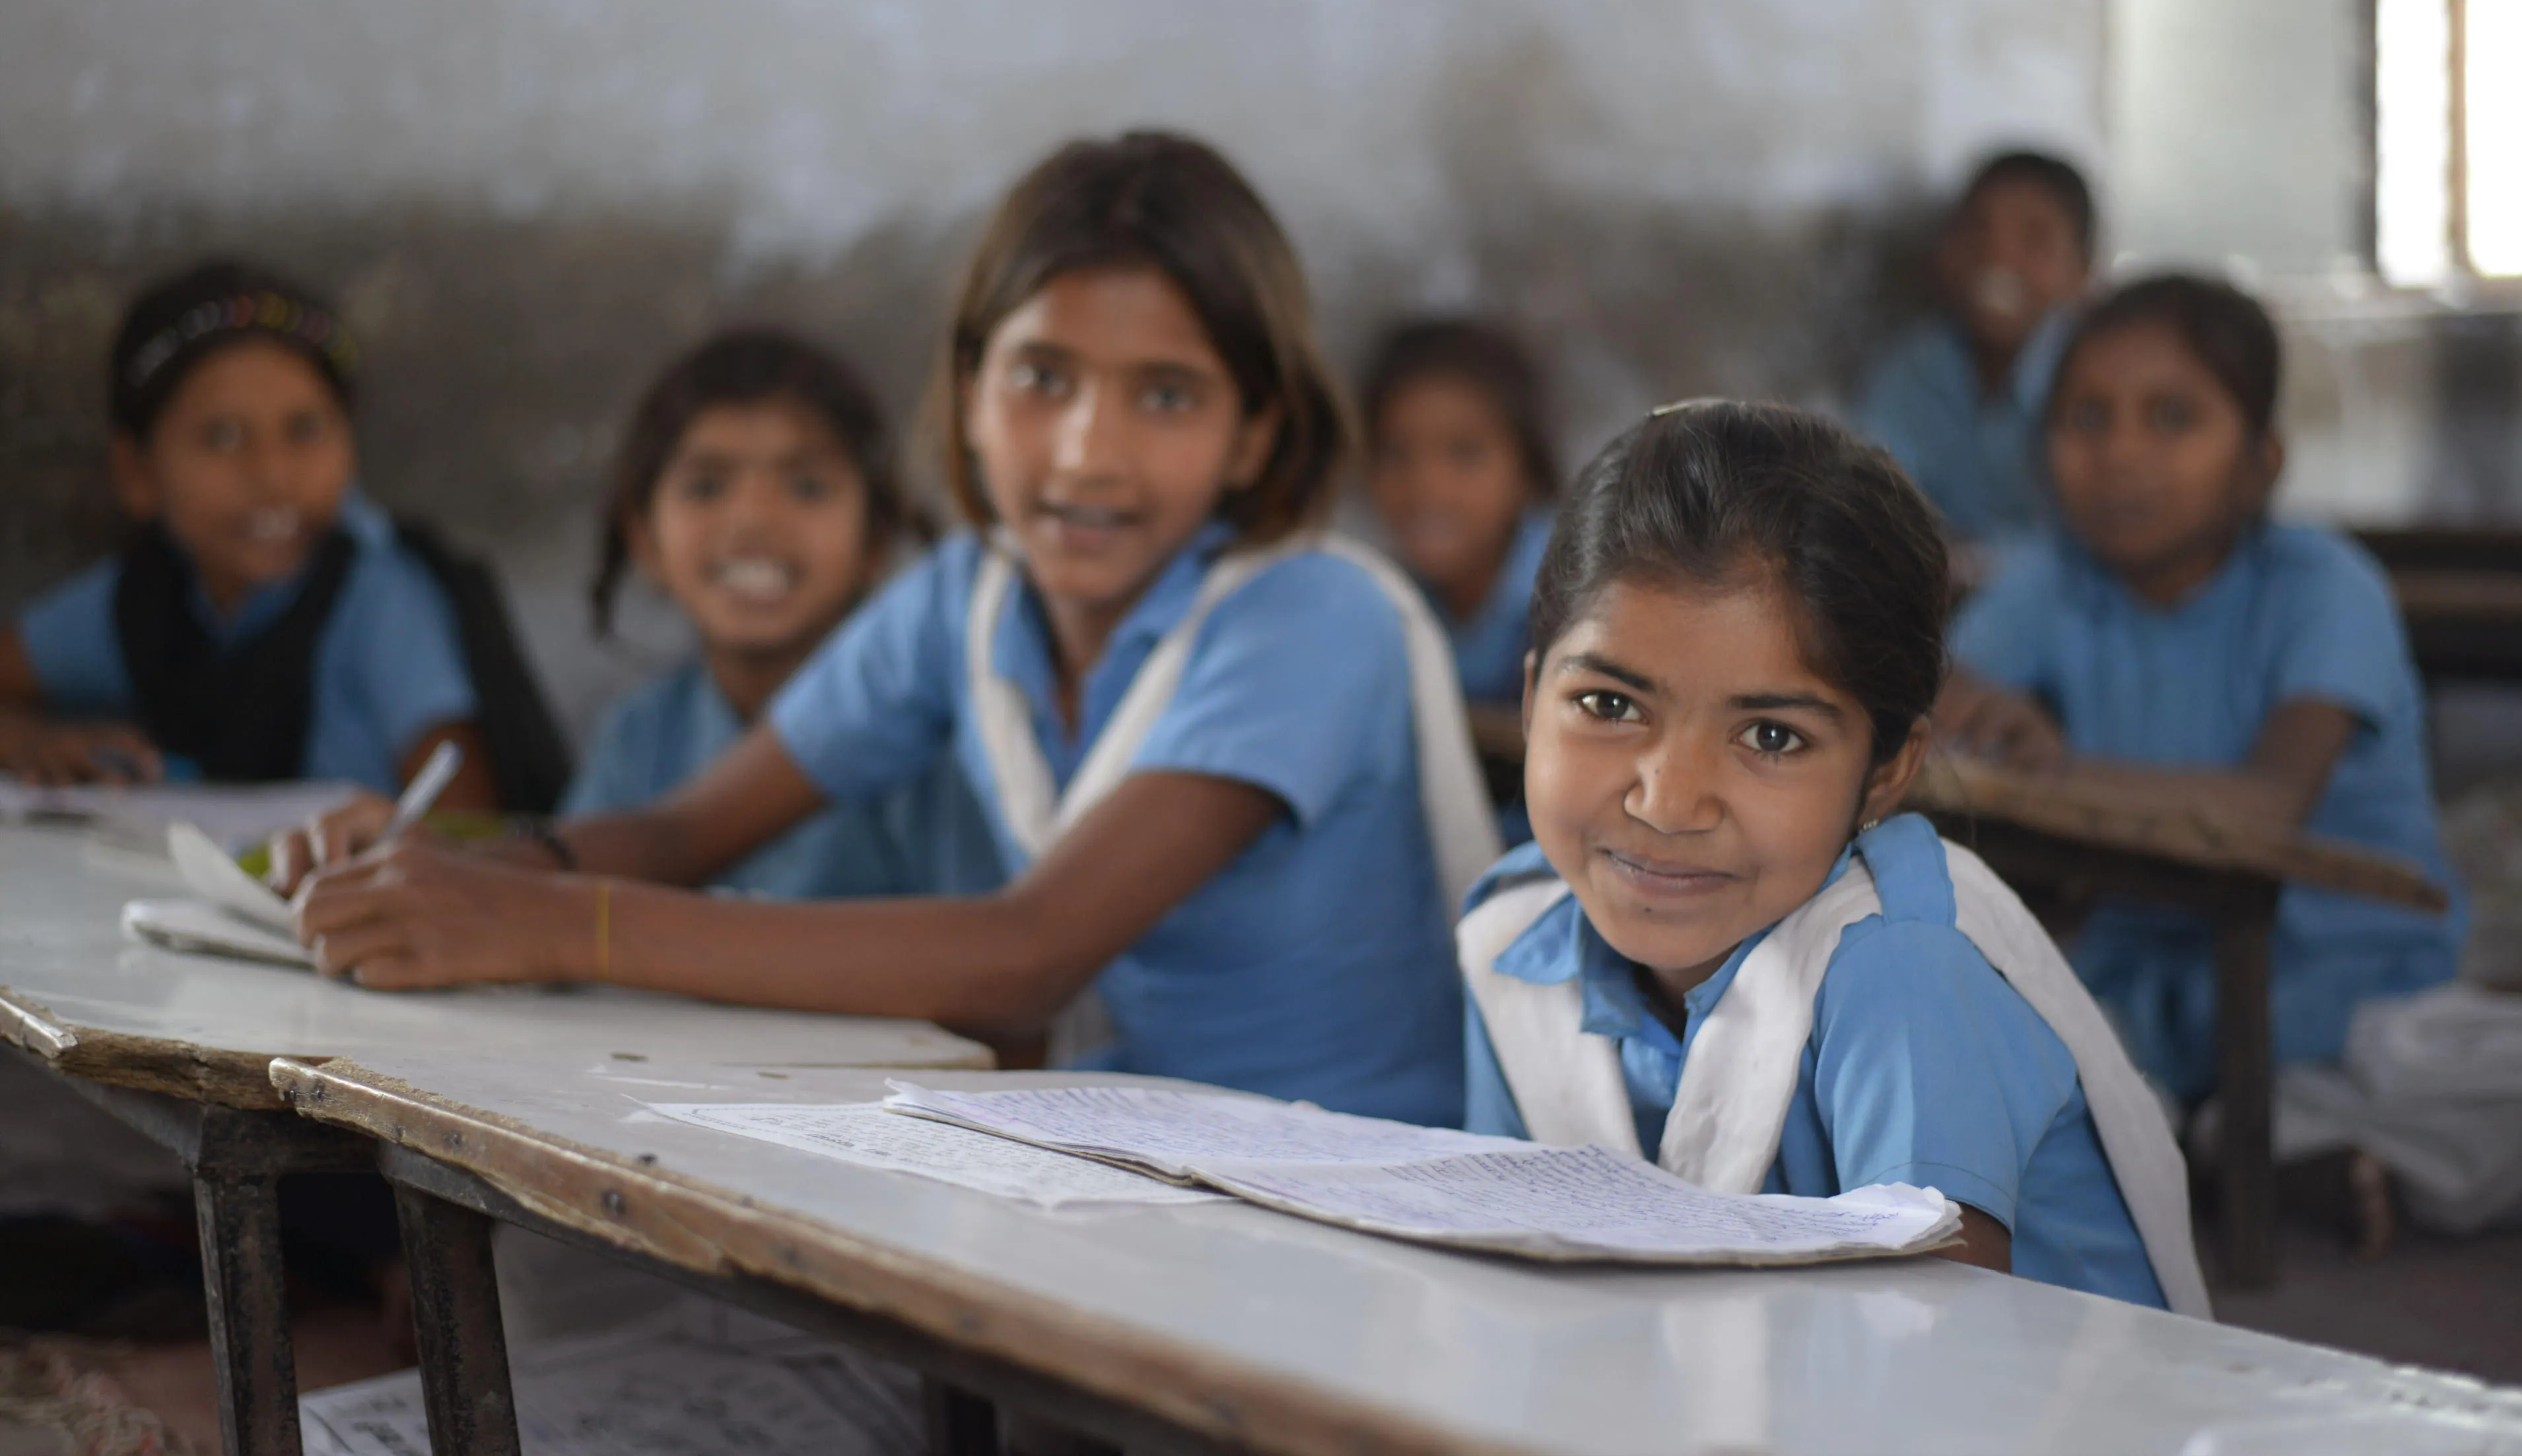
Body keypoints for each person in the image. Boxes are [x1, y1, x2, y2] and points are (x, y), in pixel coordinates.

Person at [277, 131, 1499, 1127]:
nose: (1088, 449)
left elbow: (1029, 952)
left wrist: (549, 920)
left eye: (1165, 395)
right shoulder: (969, 598)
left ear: (1255, 432)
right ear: (969, 390)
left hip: (1336, 1202)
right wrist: (440, 864)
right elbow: (683, 827)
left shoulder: (1311, 616)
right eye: (1042, 376)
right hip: (1122, 1173)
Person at [1460, 400, 2204, 1313]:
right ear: (1533, 699)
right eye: (1610, 706)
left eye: (1770, 734)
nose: (1667, 799)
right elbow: (1514, 1279)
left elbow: (1936, 1363)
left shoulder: (1899, 966)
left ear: (1888, 769)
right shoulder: (1512, 941)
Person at [1939, 275, 2465, 1104]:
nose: (2121, 454)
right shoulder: (2056, 580)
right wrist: (1969, 708)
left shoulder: (2323, 587)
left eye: (2173, 417)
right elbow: (1930, 690)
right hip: (2154, 982)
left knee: (2447, 1076)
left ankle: (2264, 1143)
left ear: (2262, 463)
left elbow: (2267, 806)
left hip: (2353, 980)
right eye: (2088, 417)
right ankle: (2262, 1149)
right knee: (1996, 1061)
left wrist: (2041, 770)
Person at [0, 260, 563, 811]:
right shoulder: (144, 596)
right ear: (137, 473)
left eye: (305, 430)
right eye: (221, 437)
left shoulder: (380, 600)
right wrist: (28, 743)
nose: (272, 475)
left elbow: (465, 825)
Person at [566, 326, 1002, 902]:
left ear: (876, 540)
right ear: (645, 540)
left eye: (807, 487)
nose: (753, 520)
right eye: (706, 487)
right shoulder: (641, 735)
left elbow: (979, 955)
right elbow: (563, 901)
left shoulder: (932, 749)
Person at [1361, 317, 1558, 839]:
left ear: (1527, 467)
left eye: (1464, 454)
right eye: (1396, 454)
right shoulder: (1384, 604)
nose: (1428, 486)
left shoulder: (1586, 597)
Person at [1853, 150, 2096, 541]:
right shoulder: (1918, 365)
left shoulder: (2097, 380)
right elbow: (1871, 495)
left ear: (2083, 273)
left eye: (2035, 238)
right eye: (1976, 230)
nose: (1998, 258)